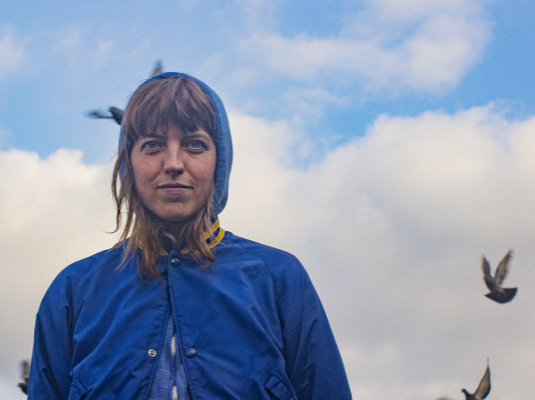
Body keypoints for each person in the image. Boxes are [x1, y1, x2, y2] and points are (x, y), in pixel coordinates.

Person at [29, 72, 352, 399]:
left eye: (194, 144)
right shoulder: (73, 290)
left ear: (219, 161)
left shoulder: (279, 278)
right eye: (152, 145)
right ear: (129, 162)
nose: (173, 163)